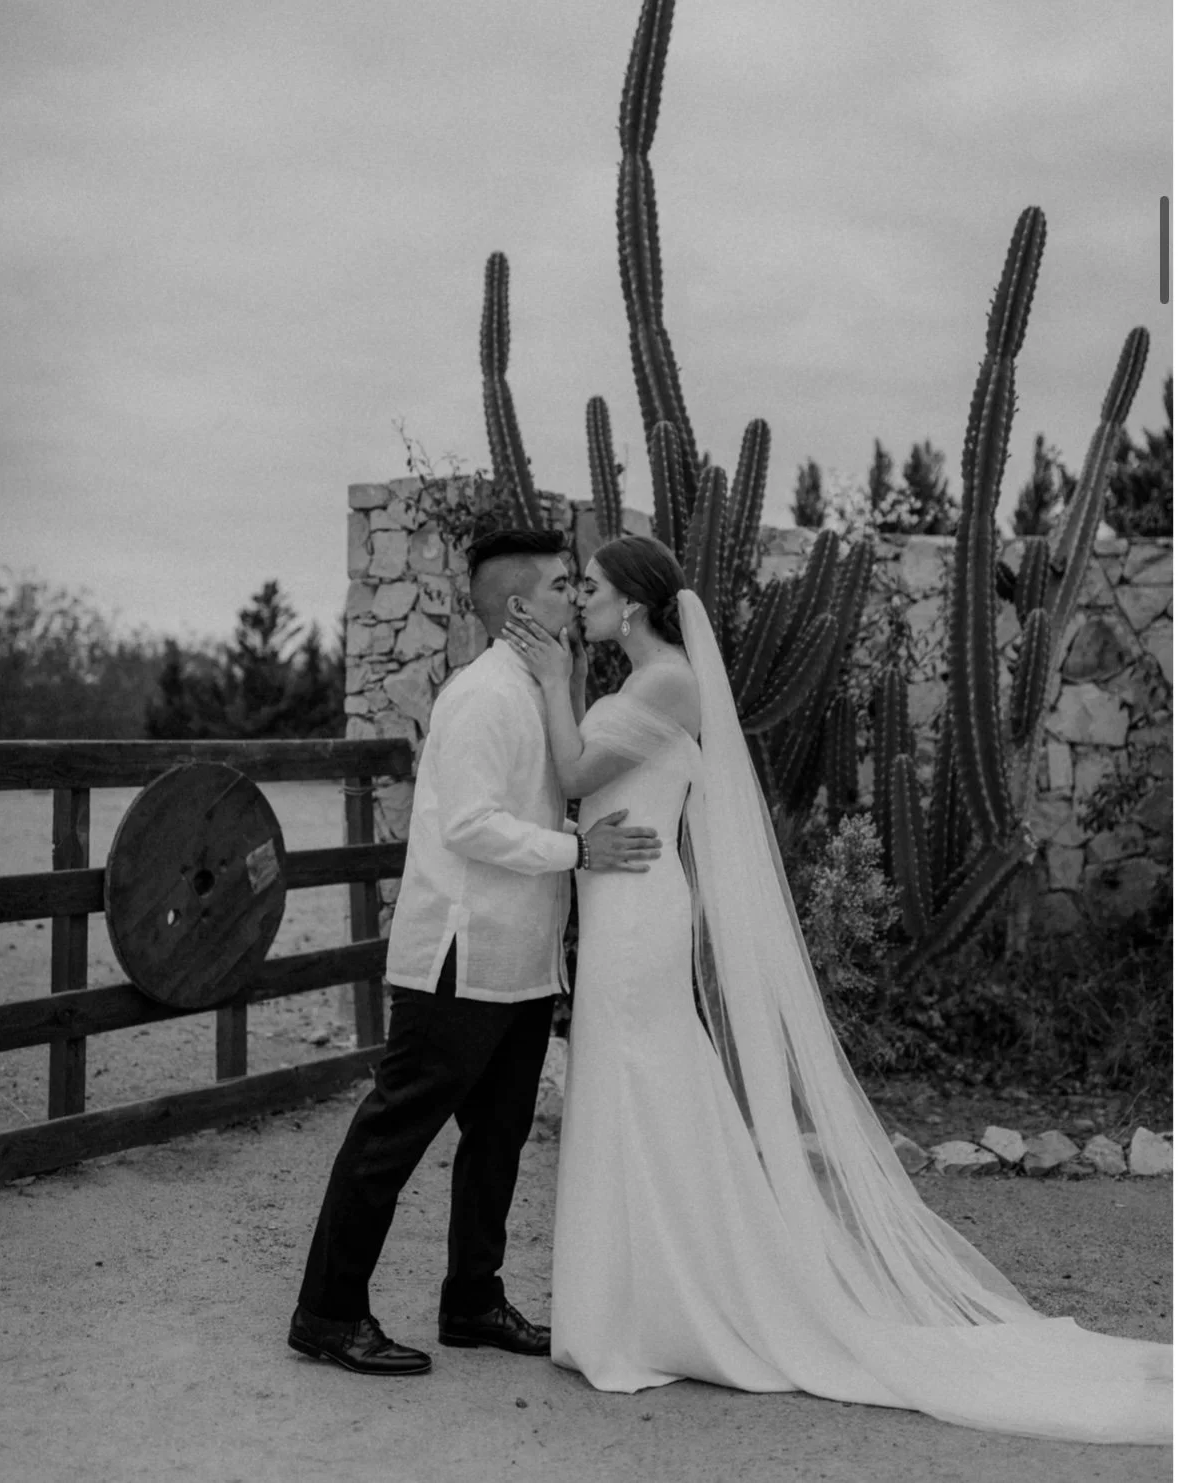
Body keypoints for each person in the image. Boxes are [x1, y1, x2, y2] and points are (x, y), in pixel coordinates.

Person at [499, 532, 1171, 1445]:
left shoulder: (665, 684)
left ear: (635, 606)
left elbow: (576, 774)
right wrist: (563, 686)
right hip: (620, 900)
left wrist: (547, 681)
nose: (581, 601)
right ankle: (637, 1298)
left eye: (596, 590)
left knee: (637, 1083)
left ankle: (658, 1306)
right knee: (640, 1089)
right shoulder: (639, 684)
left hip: (635, 912)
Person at [289, 528, 662, 1376]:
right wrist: (577, 849)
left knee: (498, 1139)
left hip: (525, 962)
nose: (580, 592)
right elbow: (467, 823)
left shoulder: (541, 688)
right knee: (392, 1136)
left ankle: (472, 1300)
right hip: (460, 957)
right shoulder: (483, 695)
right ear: (523, 605)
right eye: (567, 583)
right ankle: (326, 1312)